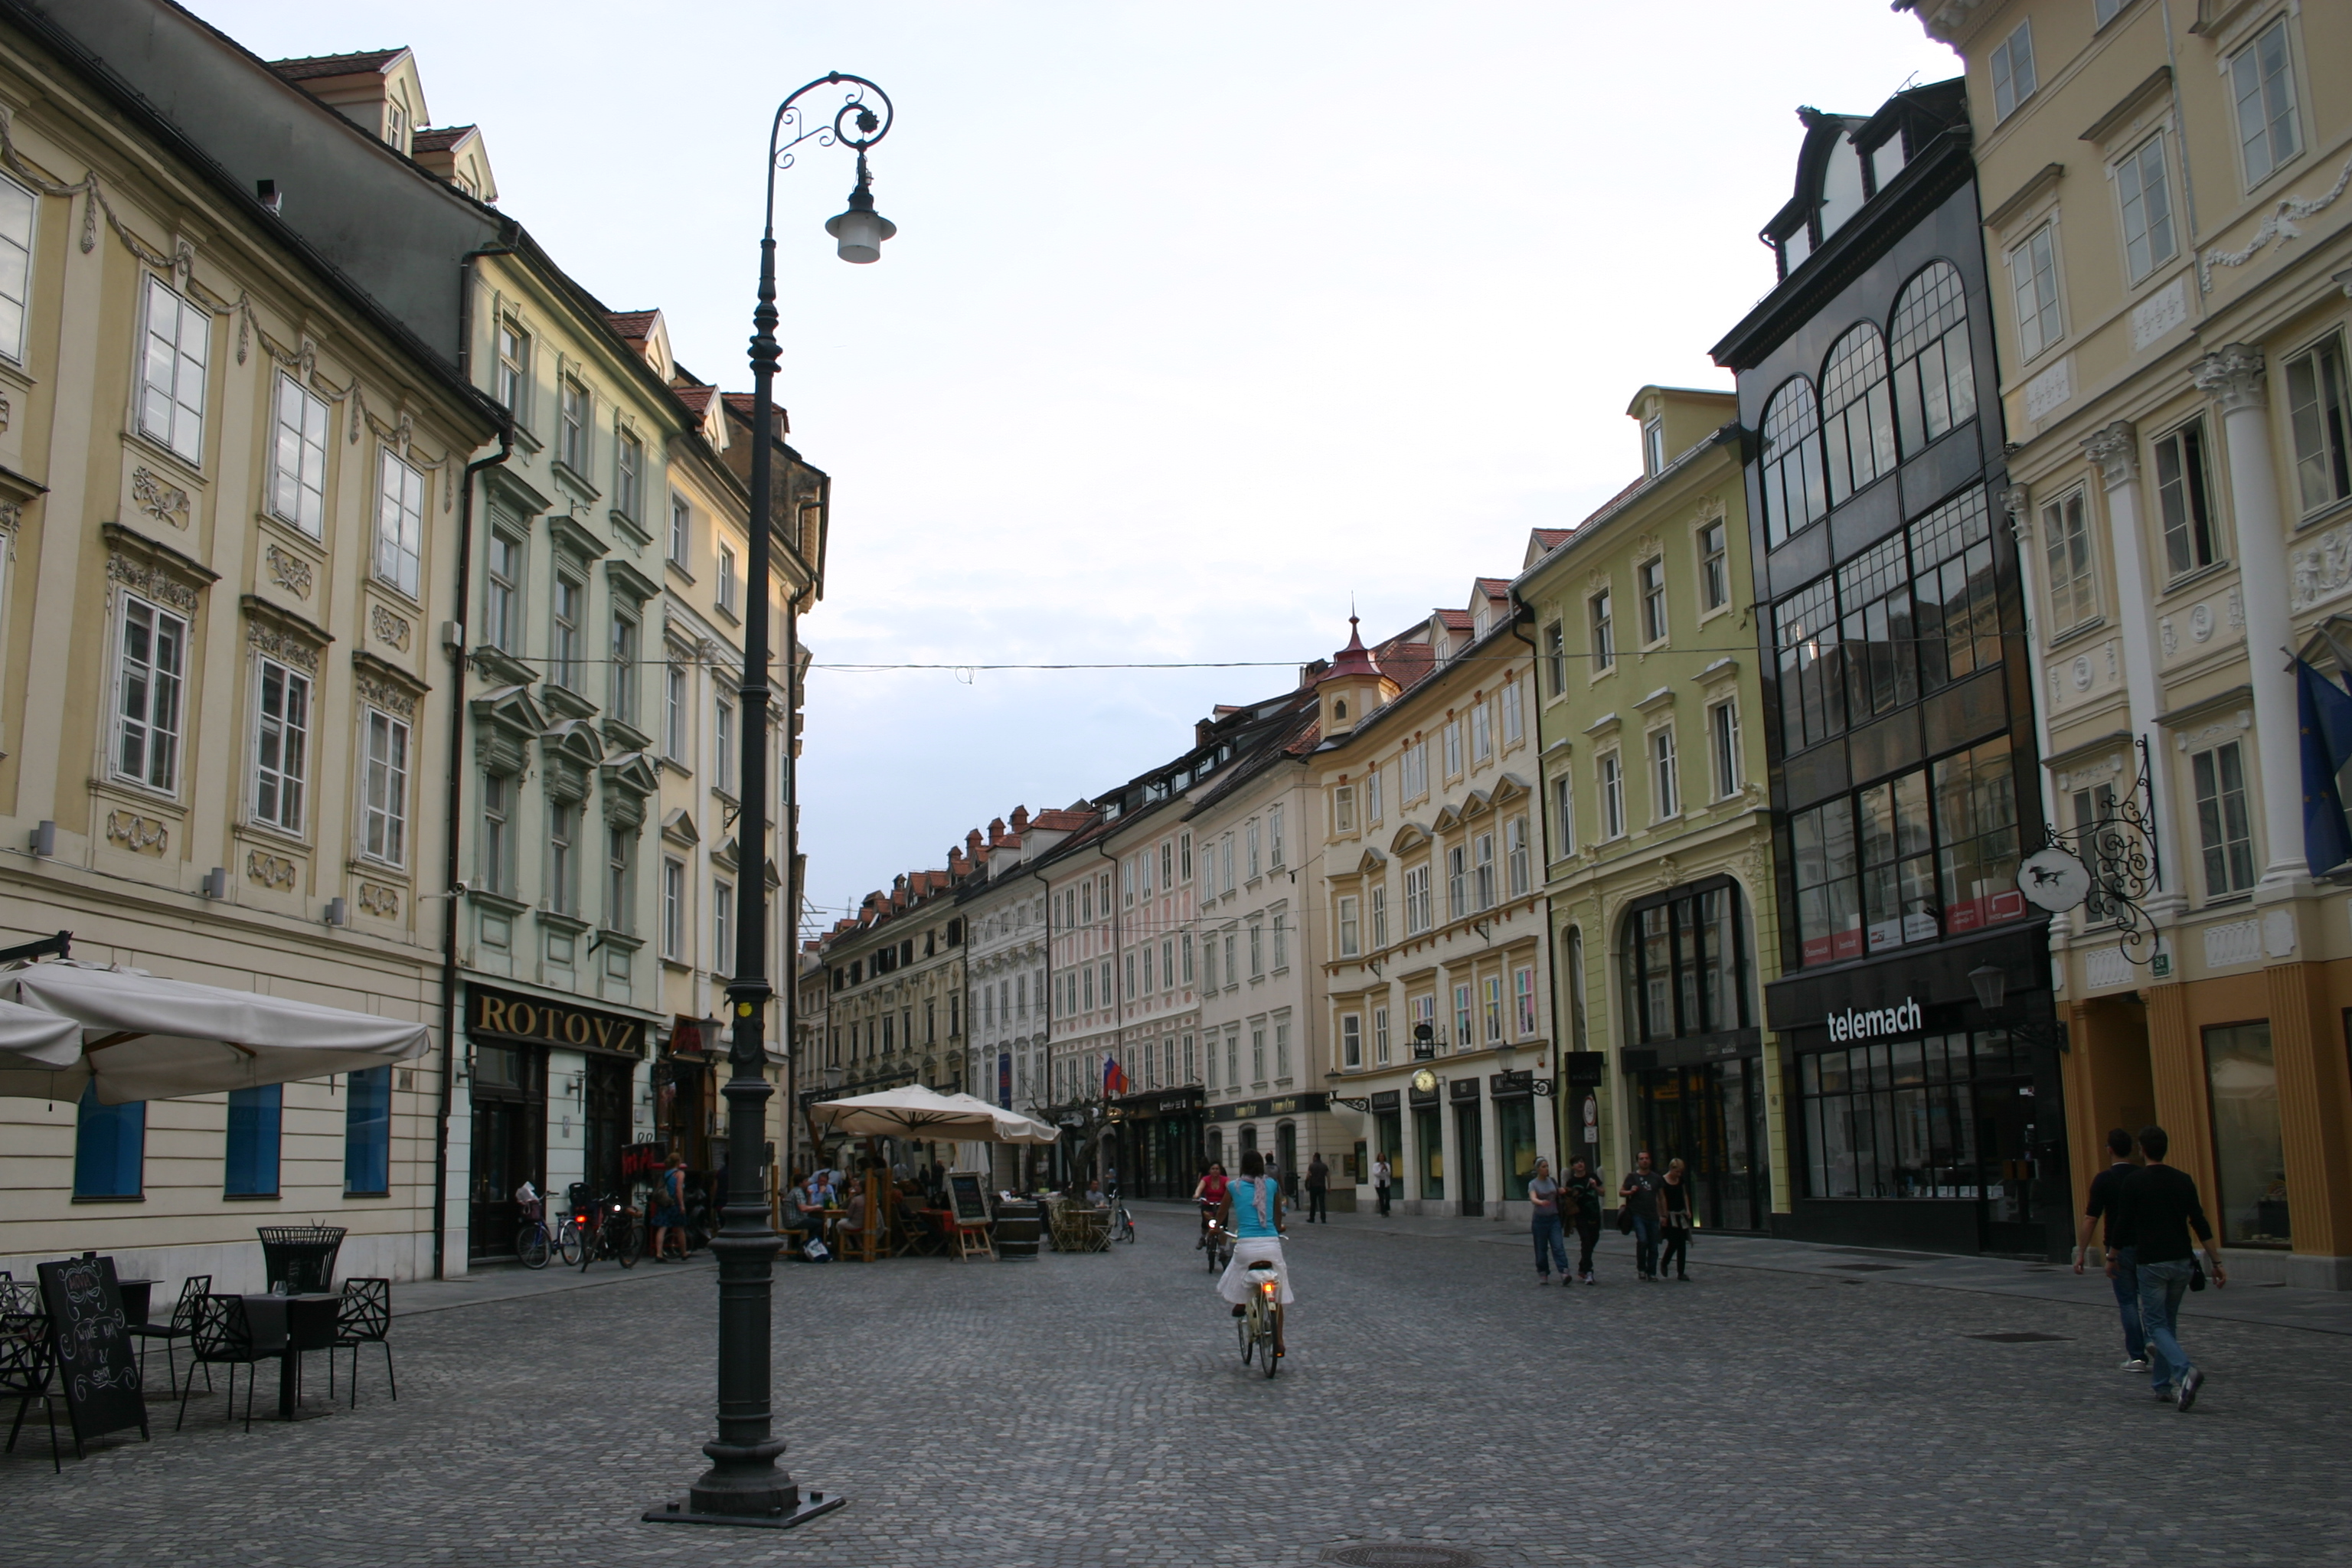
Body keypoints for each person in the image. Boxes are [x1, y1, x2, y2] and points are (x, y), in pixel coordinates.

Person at [2109, 1124, 2224, 1410]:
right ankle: (2162, 1385)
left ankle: (2185, 1371)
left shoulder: (2135, 1182)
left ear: (2142, 1150)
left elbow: (2123, 1223)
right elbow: (2199, 1222)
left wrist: (2112, 1256)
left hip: (2152, 1261)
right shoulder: (2183, 1180)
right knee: (2167, 1323)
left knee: (2155, 1324)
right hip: (2182, 1260)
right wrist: (2216, 1261)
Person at [2076, 1128, 2148, 1371]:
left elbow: (2091, 1219)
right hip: (2146, 1244)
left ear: (2110, 1150)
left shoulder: (2104, 1179)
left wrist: (2081, 1252)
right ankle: (2152, 1338)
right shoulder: (2141, 1176)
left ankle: (2137, 1356)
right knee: (2149, 1297)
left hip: (2118, 1246)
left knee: (2128, 1302)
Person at [1217, 1148, 1292, 1359]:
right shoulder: (1272, 1185)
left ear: (1243, 1166)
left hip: (1247, 1245)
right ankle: (1279, 1340)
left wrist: (1215, 1228)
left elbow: (1221, 1213)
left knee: (1237, 1267)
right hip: (1270, 1245)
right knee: (1277, 1291)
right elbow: (1277, 1215)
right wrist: (1278, 1227)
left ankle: (1241, 1301)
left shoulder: (1233, 1186)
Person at [1620, 1152, 1664, 1282]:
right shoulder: (1632, 1177)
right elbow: (1621, 1192)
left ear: (1650, 1161)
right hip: (1638, 1214)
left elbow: (1662, 1197)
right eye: (1641, 1159)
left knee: (1654, 1245)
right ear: (1637, 1162)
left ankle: (1652, 1272)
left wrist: (1664, 1214)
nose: (1644, 1161)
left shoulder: (1656, 1178)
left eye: (1646, 1158)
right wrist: (1630, 1191)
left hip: (1653, 1215)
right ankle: (1641, 1268)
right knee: (1643, 1240)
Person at [1527, 1157, 1570, 1285]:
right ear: (1538, 1169)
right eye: (1543, 1167)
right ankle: (1543, 1272)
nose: (1546, 1169)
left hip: (1554, 1218)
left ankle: (1564, 1272)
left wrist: (1563, 1191)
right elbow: (1533, 1198)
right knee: (1541, 1249)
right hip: (1540, 1220)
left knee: (1558, 1246)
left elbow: (1559, 1192)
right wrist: (1541, 1202)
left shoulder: (1552, 1181)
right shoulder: (1533, 1184)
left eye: (1547, 1166)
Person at [1565, 1158, 1603, 1285]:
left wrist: (1595, 1186)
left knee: (1593, 1240)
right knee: (1586, 1241)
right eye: (1577, 1163)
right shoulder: (1571, 1181)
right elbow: (1568, 1199)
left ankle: (1582, 1266)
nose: (1580, 1164)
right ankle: (1588, 1272)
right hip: (1580, 1215)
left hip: (1594, 1214)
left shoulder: (1592, 1176)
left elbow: (1603, 1192)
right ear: (1573, 1167)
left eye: (1582, 1161)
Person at [1659, 1157, 1694, 1280]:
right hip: (1670, 1215)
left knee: (1682, 1243)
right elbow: (1661, 1198)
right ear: (1671, 1169)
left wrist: (1688, 1209)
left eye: (1681, 1172)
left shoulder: (1680, 1180)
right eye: (1677, 1172)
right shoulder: (1663, 1181)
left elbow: (1684, 1195)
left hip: (1680, 1214)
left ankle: (1681, 1272)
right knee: (1673, 1242)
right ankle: (1665, 1262)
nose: (1679, 1174)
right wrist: (1663, 1215)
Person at [650, 1156, 688, 1263]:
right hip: (674, 1203)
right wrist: (682, 1205)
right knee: (680, 1228)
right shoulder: (679, 1174)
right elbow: (679, 1190)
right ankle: (684, 1252)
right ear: (678, 1162)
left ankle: (659, 1253)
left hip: (664, 1203)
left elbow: (659, 1187)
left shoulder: (664, 1173)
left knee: (662, 1227)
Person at [1193, 1161, 1230, 1246]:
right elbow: (1200, 1188)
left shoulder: (1225, 1180)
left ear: (1220, 1171)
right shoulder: (1206, 1179)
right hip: (1208, 1204)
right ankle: (1203, 1237)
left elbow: (1230, 1188)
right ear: (1209, 1171)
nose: (1215, 1171)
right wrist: (1197, 1195)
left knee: (1223, 1227)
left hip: (1221, 1205)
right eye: (1213, 1169)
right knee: (1206, 1223)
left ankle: (1222, 1248)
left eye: (1217, 1169)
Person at [1305, 1152, 1330, 1223]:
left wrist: (1306, 1184)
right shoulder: (1324, 1166)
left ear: (1315, 1157)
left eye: (1313, 1157)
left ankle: (1312, 1218)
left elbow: (1308, 1176)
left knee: (1313, 1203)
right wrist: (1329, 1187)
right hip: (1322, 1186)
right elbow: (1328, 1177)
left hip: (1313, 1186)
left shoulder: (1312, 1166)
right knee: (1322, 1203)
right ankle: (1323, 1219)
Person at [1372, 1153, 1392, 1218]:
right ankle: (1383, 1212)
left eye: (1383, 1156)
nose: (1381, 1158)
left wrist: (1386, 1169)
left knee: (1388, 1196)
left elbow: (1389, 1174)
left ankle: (1386, 1209)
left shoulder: (1387, 1165)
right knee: (1381, 1198)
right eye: (1380, 1157)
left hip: (1386, 1183)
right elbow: (1376, 1174)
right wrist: (1381, 1170)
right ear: (1378, 1158)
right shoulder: (1375, 1165)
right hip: (1378, 1183)